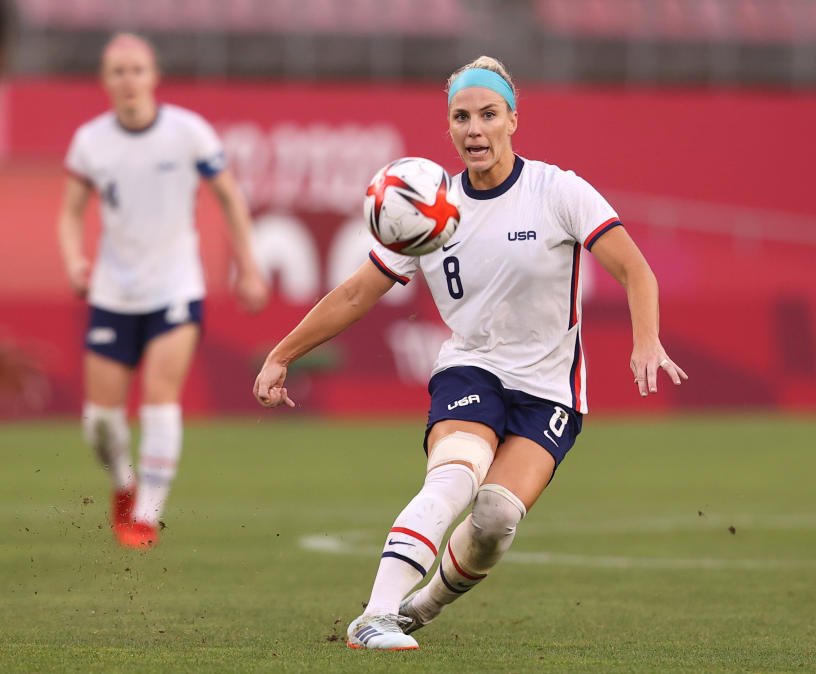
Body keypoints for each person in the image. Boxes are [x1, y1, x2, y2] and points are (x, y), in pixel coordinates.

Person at [253, 55, 687, 649]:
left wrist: (646, 340)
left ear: (513, 119)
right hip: (472, 366)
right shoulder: (433, 208)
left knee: (496, 519)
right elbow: (356, 292)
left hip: (550, 390)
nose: (474, 128)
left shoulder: (557, 191)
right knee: (455, 478)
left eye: (487, 114)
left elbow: (636, 270)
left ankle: (418, 608)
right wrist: (283, 353)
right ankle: (374, 615)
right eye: (461, 117)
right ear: (449, 128)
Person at [58, 33, 268, 549]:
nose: (128, 79)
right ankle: (122, 484)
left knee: (159, 399)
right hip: (112, 292)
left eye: (137, 69)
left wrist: (250, 266)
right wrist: (74, 261)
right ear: (105, 81)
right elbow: (69, 211)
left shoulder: (187, 131)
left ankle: (147, 515)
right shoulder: (90, 141)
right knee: (100, 424)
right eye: (117, 71)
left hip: (175, 288)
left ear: (154, 76)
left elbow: (229, 199)